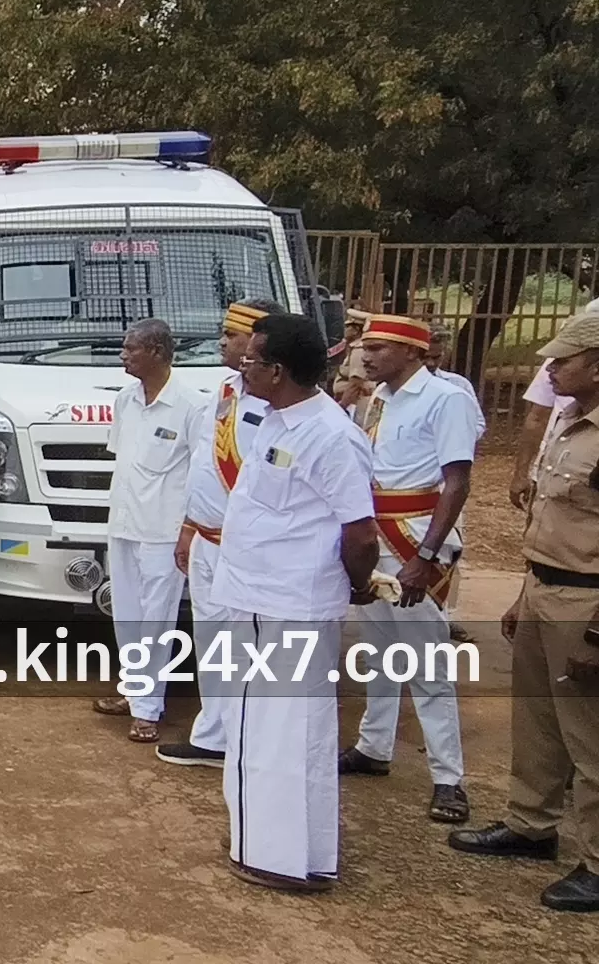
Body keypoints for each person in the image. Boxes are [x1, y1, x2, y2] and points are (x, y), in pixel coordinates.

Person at [211, 312, 379, 892]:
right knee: (262, 729)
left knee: (286, 733)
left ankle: (282, 858)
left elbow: (361, 535)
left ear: (278, 370)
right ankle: (271, 844)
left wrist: (357, 585)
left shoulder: (331, 436)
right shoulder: (278, 420)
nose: (242, 367)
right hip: (257, 598)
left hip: (289, 605)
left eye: (251, 360)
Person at [448, 311, 599, 913]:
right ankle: (531, 824)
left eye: (562, 360)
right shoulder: (570, 421)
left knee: (589, 735)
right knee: (537, 719)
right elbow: (555, 521)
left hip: (587, 601)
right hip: (544, 587)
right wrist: (523, 592)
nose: (549, 369)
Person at [338, 315, 475, 823]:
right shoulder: (378, 398)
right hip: (375, 534)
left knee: (426, 662)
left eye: (380, 347)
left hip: (414, 538)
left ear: (414, 352)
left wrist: (426, 557)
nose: (367, 355)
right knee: (378, 651)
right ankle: (373, 746)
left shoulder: (446, 399)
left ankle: (448, 778)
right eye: (366, 346)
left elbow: (457, 482)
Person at [160, 299, 279, 768]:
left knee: (246, 646)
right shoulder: (227, 388)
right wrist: (189, 526)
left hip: (244, 546)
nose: (222, 342)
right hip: (206, 538)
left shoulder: (278, 403)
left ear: (259, 342)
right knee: (212, 642)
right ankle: (213, 735)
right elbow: (205, 464)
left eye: (232, 335)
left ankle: (247, 739)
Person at [94, 318, 207, 744]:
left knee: (157, 619)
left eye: (130, 348)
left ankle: (147, 709)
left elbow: (201, 473)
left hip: (163, 528)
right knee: (126, 614)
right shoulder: (126, 399)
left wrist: (188, 528)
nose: (123, 355)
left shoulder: (191, 406)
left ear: (157, 352)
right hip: (124, 523)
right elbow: (123, 459)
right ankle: (133, 688)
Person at [508, 297, 599, 508]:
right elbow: (536, 418)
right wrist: (522, 473)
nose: (549, 368)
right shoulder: (567, 418)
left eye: (562, 361)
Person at [424, 324, 486, 439]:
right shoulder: (395, 385)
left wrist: (455, 439)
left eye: (436, 357)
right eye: (425, 357)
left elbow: (478, 424)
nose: (430, 363)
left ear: (445, 353)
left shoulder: (459, 384)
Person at [332, 308, 370, 408]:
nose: (344, 330)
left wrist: (342, 406)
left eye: (347, 327)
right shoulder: (353, 347)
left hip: (355, 404)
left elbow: (355, 384)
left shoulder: (359, 350)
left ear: (356, 330)